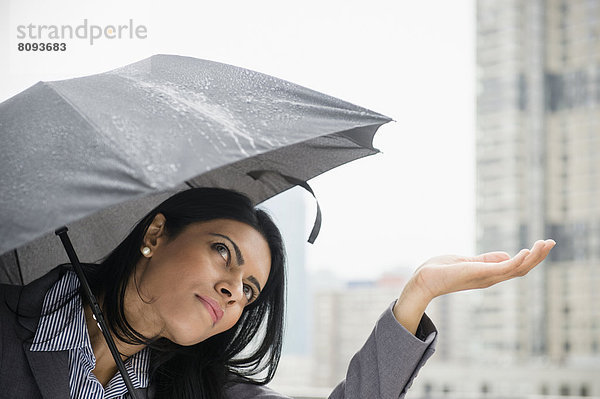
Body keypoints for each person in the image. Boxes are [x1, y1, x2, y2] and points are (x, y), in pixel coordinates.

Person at [0, 188, 555, 399]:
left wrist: (418, 293)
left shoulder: (198, 389)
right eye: (223, 251)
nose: (232, 290)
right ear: (155, 234)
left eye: (249, 289)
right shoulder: (9, 324)